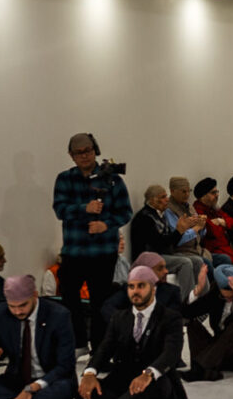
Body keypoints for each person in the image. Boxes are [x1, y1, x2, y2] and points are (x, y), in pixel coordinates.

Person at [68, 266, 189, 399]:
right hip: (123, 380)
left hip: (157, 382)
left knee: (150, 386)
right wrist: (90, 373)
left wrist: (148, 374)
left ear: (153, 289)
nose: (135, 291)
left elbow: (171, 353)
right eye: (131, 287)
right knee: (91, 389)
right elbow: (105, 348)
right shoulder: (119, 317)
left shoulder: (171, 318)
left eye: (141, 286)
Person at [52, 132, 132, 352]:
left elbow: (125, 212)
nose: (84, 156)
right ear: (71, 155)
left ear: (95, 150)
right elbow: (60, 209)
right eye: (78, 153)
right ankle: (78, 343)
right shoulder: (65, 179)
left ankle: (99, 348)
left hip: (102, 251)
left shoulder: (113, 180)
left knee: (100, 302)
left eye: (87, 150)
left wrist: (106, 225)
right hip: (74, 251)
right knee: (70, 298)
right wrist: (83, 209)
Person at [130, 184, 201, 284]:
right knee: (185, 263)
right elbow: (159, 244)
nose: (167, 199)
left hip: (164, 254)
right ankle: (187, 294)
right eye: (163, 197)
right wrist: (178, 231)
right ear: (153, 201)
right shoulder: (144, 218)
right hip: (149, 258)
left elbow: (171, 243)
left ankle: (200, 292)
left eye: (166, 196)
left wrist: (180, 231)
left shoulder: (160, 215)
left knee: (197, 261)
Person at [99, 251, 185, 319]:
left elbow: (173, 317)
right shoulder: (129, 289)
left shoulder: (172, 291)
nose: (166, 271)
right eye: (160, 268)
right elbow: (107, 308)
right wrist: (125, 324)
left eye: (165, 267)